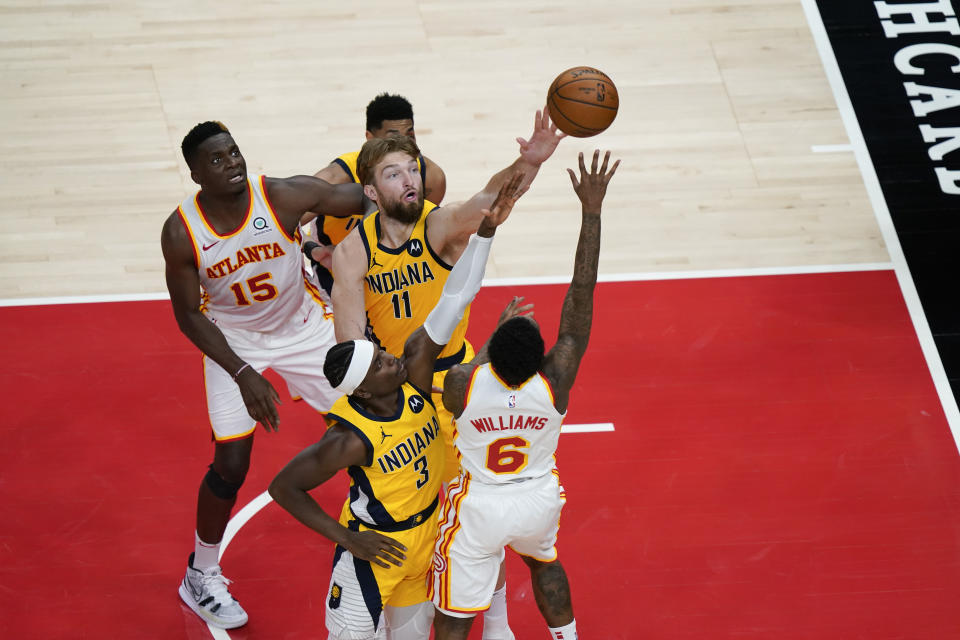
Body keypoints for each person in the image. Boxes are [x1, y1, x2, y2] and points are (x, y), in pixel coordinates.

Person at [331, 111, 564, 639]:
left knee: (484, 505)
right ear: (370, 189)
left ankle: (499, 624)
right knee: (411, 516)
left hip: (458, 386)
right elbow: (352, 350)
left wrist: (526, 163)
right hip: (402, 389)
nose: (410, 179)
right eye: (394, 173)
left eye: (412, 169)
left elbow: (488, 203)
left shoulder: (435, 224)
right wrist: (373, 406)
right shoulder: (353, 252)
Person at [268, 173, 527, 640]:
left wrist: (485, 233)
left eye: (385, 354)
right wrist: (347, 539)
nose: (391, 357)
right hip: (377, 549)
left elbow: (456, 297)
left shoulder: (415, 381)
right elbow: (283, 487)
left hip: (424, 538)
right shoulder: (349, 437)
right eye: (381, 363)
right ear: (363, 390)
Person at [161, 120, 369, 630]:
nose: (232, 162)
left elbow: (354, 199)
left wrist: (396, 172)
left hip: (304, 326)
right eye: (216, 159)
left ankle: (380, 525)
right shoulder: (181, 232)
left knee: (367, 423)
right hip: (232, 341)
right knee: (231, 462)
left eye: (234, 152)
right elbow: (188, 314)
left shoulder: (278, 196)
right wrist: (243, 372)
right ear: (194, 172)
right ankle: (201, 574)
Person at [430, 150, 620, 640]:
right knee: (545, 563)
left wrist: (492, 338)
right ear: (543, 355)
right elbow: (581, 297)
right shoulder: (554, 382)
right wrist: (592, 211)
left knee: (456, 608)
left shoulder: (465, 383)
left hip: (481, 506)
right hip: (537, 498)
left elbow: (466, 367)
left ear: (493, 354)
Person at [304, 93, 447, 295]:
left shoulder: (430, 177)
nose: (403, 145)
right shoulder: (339, 176)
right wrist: (312, 248)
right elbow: (283, 221)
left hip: (394, 273)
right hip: (336, 273)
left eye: (410, 135)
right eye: (393, 138)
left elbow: (423, 231)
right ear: (369, 139)